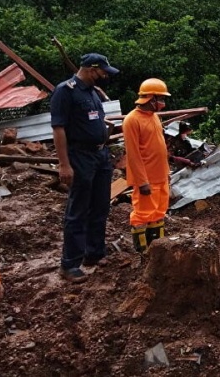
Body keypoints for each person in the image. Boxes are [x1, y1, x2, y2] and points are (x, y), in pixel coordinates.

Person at [50, 52, 120, 283]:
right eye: (102, 72)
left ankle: (94, 253)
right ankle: (69, 264)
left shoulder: (92, 92)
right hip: (80, 156)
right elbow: (58, 129)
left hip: (100, 155)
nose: (104, 77)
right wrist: (64, 164)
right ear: (91, 69)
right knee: (78, 210)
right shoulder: (65, 91)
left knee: (100, 206)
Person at [123, 78, 171, 252]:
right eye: (162, 99)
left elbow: (159, 147)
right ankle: (143, 252)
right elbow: (133, 155)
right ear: (151, 99)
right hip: (146, 180)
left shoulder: (154, 118)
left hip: (160, 176)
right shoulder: (132, 120)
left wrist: (167, 172)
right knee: (142, 215)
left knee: (158, 213)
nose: (163, 103)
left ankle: (157, 249)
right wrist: (142, 182)